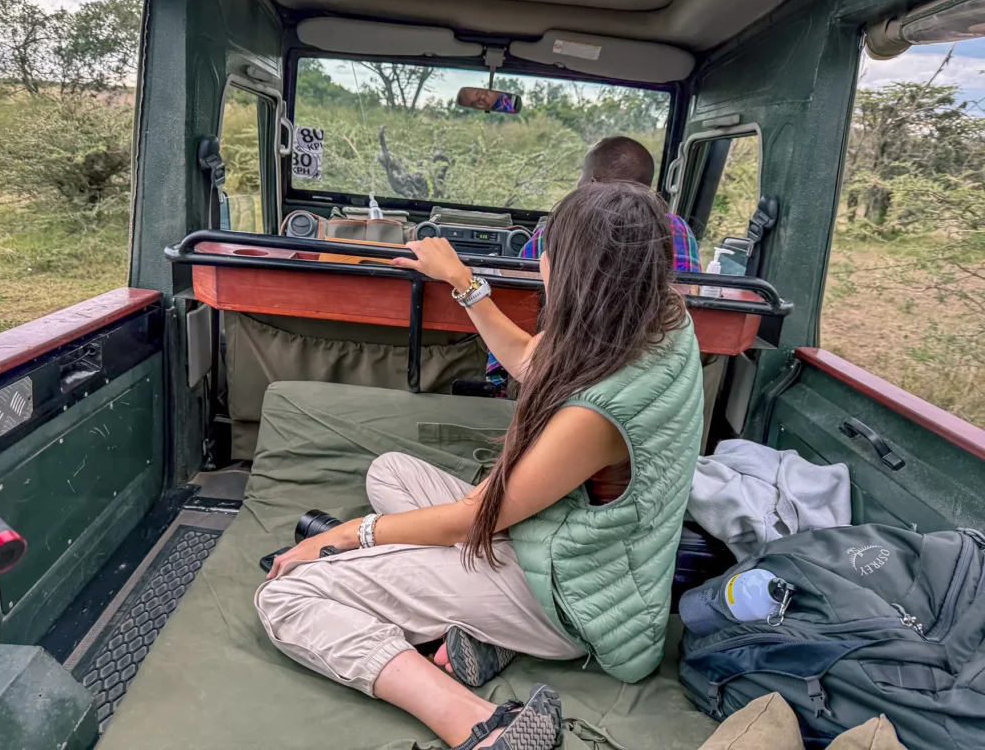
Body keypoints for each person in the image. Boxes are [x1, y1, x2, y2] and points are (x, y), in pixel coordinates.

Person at [254, 182, 704, 750]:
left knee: (288, 594)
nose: (540, 258)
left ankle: (482, 727)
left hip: (572, 600)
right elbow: (526, 360)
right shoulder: (653, 322)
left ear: (574, 272)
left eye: (549, 248)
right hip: (570, 548)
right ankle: (485, 633)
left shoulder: (600, 411)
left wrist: (349, 536)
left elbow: (474, 519)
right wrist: (462, 280)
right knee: (388, 473)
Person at [486, 135, 701, 389]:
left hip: (559, 364)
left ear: (593, 183)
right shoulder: (677, 229)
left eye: (582, 176)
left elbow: (518, 297)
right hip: (656, 368)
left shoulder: (562, 226)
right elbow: (687, 295)